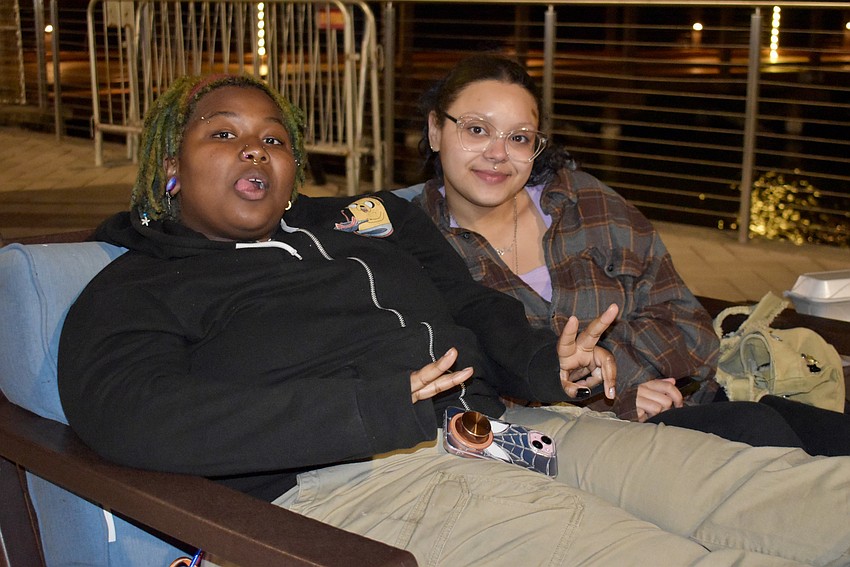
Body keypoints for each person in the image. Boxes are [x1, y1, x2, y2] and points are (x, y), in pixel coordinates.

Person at [57, 73, 850, 566]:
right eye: (223, 133)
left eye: (273, 138)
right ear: (171, 167)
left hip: (508, 424)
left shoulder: (368, 221)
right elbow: (133, 414)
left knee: (754, 487)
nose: (255, 150)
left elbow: (470, 304)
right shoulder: (135, 283)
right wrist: (372, 406)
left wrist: (549, 364)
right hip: (359, 480)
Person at [413, 53, 850, 455]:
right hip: (572, 441)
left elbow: (689, 326)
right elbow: (466, 393)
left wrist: (628, 379)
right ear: (435, 130)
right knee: (762, 434)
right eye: (476, 129)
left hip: (687, 397)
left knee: (825, 433)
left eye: (519, 138)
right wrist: (614, 398)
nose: (497, 153)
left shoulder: (584, 203)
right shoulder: (413, 247)